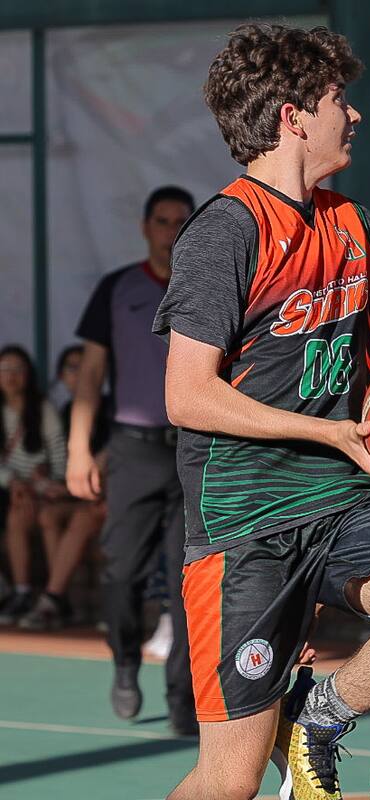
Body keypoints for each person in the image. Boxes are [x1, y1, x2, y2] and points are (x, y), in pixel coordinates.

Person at [153, 24, 370, 800]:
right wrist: (324, 429)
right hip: (246, 518)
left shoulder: (356, 225)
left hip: (346, 491)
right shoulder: (226, 231)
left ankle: (319, 713)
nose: (356, 114)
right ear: (292, 116)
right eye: (340, 99)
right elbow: (188, 394)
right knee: (229, 781)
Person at [66, 184, 195, 733]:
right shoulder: (116, 289)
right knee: (120, 574)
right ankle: (123, 659)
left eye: (181, 222)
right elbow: (91, 375)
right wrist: (78, 448)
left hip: (194, 451)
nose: (171, 231)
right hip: (132, 450)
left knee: (190, 579)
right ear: (146, 228)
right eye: (162, 221)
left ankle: (182, 701)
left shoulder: (207, 287)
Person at [18, 345, 108, 631]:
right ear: (60, 375)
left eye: (84, 367)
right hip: (80, 493)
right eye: (71, 367)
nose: (79, 374)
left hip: (109, 497)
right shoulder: (68, 409)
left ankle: (53, 596)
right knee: (47, 515)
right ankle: (61, 600)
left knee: (83, 517)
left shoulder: (114, 407)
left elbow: (111, 463)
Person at [0, 346, 67, 623]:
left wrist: (43, 485)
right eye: (4, 369)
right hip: (7, 488)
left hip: (40, 489)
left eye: (18, 369)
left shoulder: (42, 408)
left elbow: (59, 453)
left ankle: (29, 593)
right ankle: (18, 591)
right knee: (16, 508)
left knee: (23, 514)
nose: (11, 376)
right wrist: (13, 482)